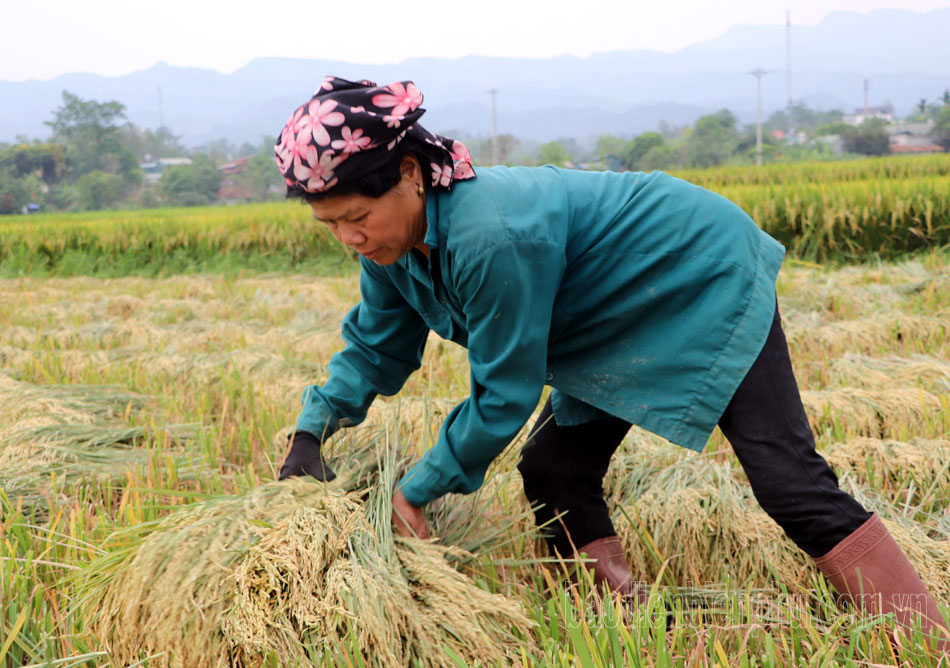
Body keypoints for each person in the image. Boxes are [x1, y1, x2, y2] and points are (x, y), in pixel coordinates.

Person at [275, 76, 948, 651]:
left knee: (787, 481)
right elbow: (376, 344)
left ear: (410, 174)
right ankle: (621, 620)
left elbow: (503, 394)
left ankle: (924, 642)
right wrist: (313, 430)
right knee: (554, 467)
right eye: (330, 226)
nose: (350, 239)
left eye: (357, 218)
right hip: (606, 318)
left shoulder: (490, 235)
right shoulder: (393, 251)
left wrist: (415, 488)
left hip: (696, 272)